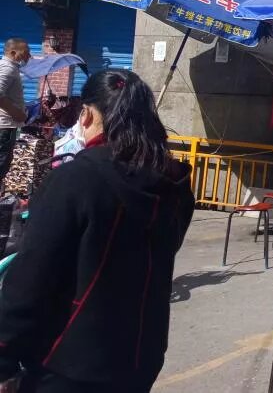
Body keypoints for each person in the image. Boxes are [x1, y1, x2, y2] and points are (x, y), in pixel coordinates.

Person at [0, 69, 195, 392]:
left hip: (69, 363)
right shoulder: (174, 186)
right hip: (140, 357)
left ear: (87, 114)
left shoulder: (77, 179)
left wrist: (4, 357)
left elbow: (31, 279)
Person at [0, 39, 30, 188]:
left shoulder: (10, 68)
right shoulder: (8, 68)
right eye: (25, 53)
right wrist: (18, 114)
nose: (28, 56)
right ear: (13, 53)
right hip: (4, 127)